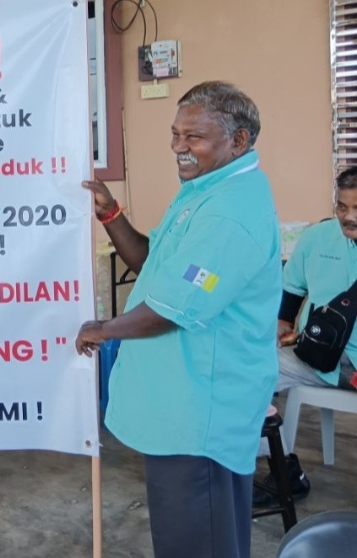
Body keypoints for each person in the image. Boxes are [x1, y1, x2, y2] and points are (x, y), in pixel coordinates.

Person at [76, 81, 281, 558]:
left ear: (238, 141)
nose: (178, 147)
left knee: (196, 543)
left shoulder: (230, 213)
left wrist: (102, 330)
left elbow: (173, 309)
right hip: (178, 407)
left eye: (194, 137)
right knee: (203, 538)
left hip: (199, 414)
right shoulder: (206, 190)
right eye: (175, 134)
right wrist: (111, 214)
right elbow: (156, 266)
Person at [250, 166, 357, 505]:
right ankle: (285, 470)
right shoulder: (318, 238)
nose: (349, 217)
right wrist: (282, 322)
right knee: (248, 373)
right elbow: (292, 286)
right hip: (316, 359)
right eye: (342, 207)